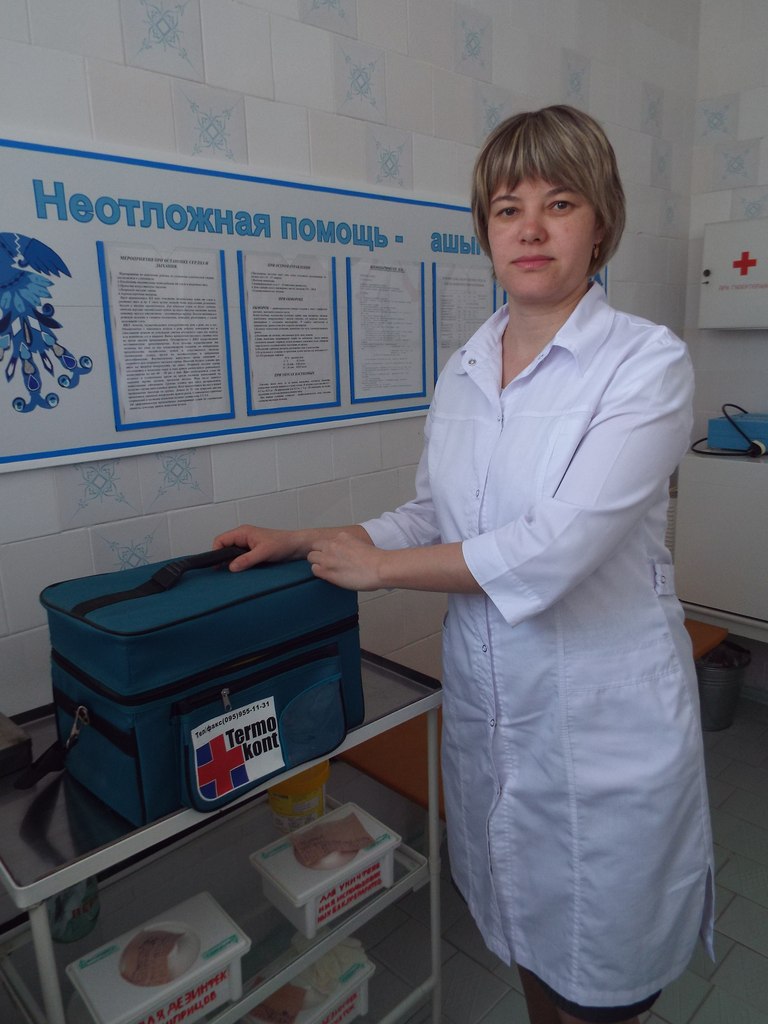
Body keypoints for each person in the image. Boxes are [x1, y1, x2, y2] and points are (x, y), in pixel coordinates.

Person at [214, 105, 714, 1024]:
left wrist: (382, 573)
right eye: (507, 208)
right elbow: (431, 515)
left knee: (604, 983)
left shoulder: (646, 364)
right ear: (485, 229)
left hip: (602, 731)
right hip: (496, 719)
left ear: (600, 221)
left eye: (559, 203)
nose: (530, 229)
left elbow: (556, 547)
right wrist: (312, 539)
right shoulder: (466, 369)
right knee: (526, 939)